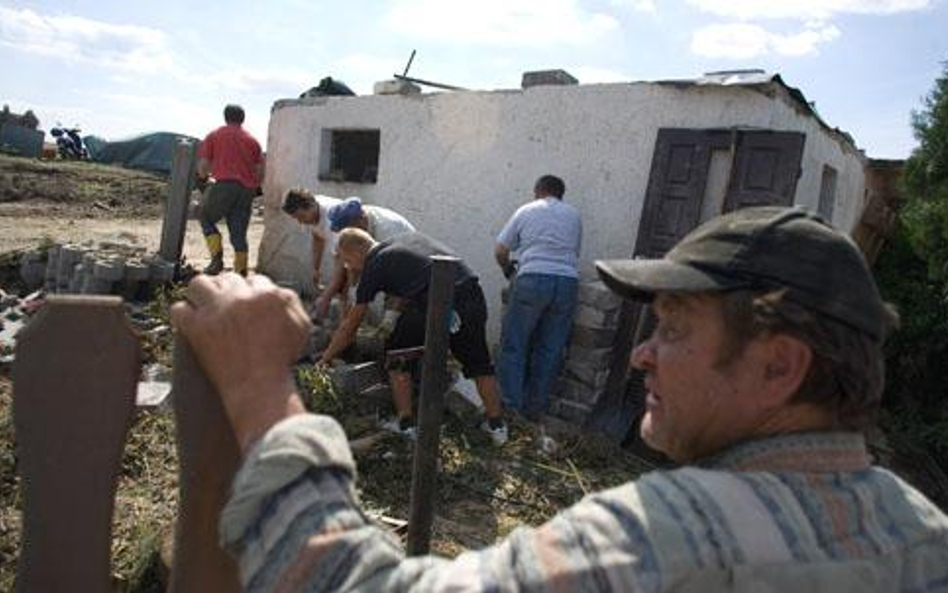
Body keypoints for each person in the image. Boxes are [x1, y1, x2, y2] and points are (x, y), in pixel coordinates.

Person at [171, 207, 948, 591]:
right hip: (464, 301)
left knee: (410, 358)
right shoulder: (922, 533)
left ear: (779, 365)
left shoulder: (669, 536)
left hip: (434, 314)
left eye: (672, 330)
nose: (641, 352)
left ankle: (416, 423)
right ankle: (496, 425)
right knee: (473, 365)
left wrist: (262, 387)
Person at [316, 228, 507, 443]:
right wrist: (392, 318)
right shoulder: (405, 240)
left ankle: (406, 425)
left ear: (355, 251)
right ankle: (497, 426)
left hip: (437, 301)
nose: (348, 266)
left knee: (396, 354)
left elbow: (351, 324)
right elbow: (411, 284)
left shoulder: (374, 264)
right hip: (471, 295)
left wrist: (326, 358)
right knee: (478, 363)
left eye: (347, 260)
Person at [495, 174, 582, 420]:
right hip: (566, 283)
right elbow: (574, 252)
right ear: (560, 194)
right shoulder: (574, 215)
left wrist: (508, 270)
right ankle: (535, 411)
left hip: (532, 280)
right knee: (550, 349)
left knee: (514, 345)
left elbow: (501, 250)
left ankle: (511, 409)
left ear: (538, 191)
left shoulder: (527, 210)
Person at [282, 191, 415, 317]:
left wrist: (326, 298)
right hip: (389, 254)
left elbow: (344, 266)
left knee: (395, 294)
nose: (300, 222)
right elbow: (343, 259)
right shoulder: (336, 218)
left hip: (408, 256)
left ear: (360, 220)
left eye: (301, 216)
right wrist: (316, 269)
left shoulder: (388, 231)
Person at [196, 104, 264, 276]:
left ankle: (216, 260)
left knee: (205, 217)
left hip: (224, 185)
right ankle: (241, 271)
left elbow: (203, 166)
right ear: (243, 119)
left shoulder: (214, 135)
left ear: (225, 117)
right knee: (238, 231)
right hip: (247, 190)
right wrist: (255, 187)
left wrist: (202, 181)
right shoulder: (253, 141)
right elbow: (261, 171)